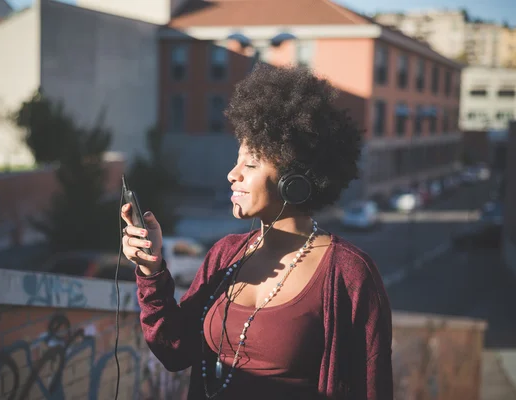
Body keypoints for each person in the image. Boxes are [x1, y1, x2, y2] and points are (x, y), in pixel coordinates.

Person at [121, 64, 393, 399]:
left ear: (293, 180)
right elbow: (175, 349)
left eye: (250, 164)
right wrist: (151, 269)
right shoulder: (226, 254)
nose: (232, 174)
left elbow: (371, 387)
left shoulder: (349, 274)